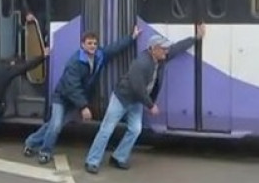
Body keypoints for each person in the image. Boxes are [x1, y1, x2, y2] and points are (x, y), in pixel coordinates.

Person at [84, 25, 206, 173]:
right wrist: (150, 105)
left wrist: (196, 38)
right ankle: (92, 161)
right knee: (106, 129)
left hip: (137, 101)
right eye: (164, 49)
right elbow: (137, 87)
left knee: (135, 129)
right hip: (122, 98)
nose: (167, 51)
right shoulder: (141, 63)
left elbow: (177, 48)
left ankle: (118, 157)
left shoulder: (160, 57)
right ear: (154, 49)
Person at [23, 26, 142, 164]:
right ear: (82, 45)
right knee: (55, 126)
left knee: (55, 124)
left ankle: (31, 142)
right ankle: (45, 151)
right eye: (89, 43)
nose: (93, 46)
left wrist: (132, 37)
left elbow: (114, 48)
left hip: (76, 100)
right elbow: (72, 87)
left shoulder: (99, 55)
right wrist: (84, 106)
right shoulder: (75, 62)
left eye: (95, 44)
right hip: (61, 97)